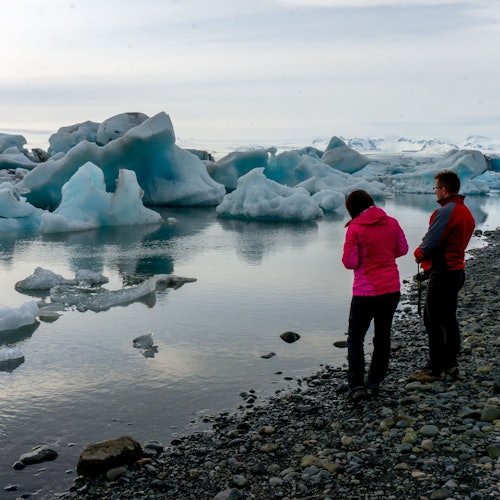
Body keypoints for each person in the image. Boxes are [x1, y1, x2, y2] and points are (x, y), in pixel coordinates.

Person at [342, 190, 408, 402]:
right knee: (382, 336)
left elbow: (349, 262)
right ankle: (374, 382)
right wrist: (384, 255)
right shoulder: (392, 222)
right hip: (390, 289)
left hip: (365, 292)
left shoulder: (355, 228)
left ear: (352, 208)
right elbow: (403, 249)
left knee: (356, 338)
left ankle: (356, 385)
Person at [411, 170, 475, 382]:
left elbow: (430, 244)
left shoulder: (446, 212)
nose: (435, 192)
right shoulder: (465, 212)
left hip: (444, 273)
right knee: (447, 318)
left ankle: (436, 367)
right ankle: (451, 365)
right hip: (456, 271)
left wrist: (418, 255)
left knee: (432, 319)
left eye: (436, 188)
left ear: (444, 190)